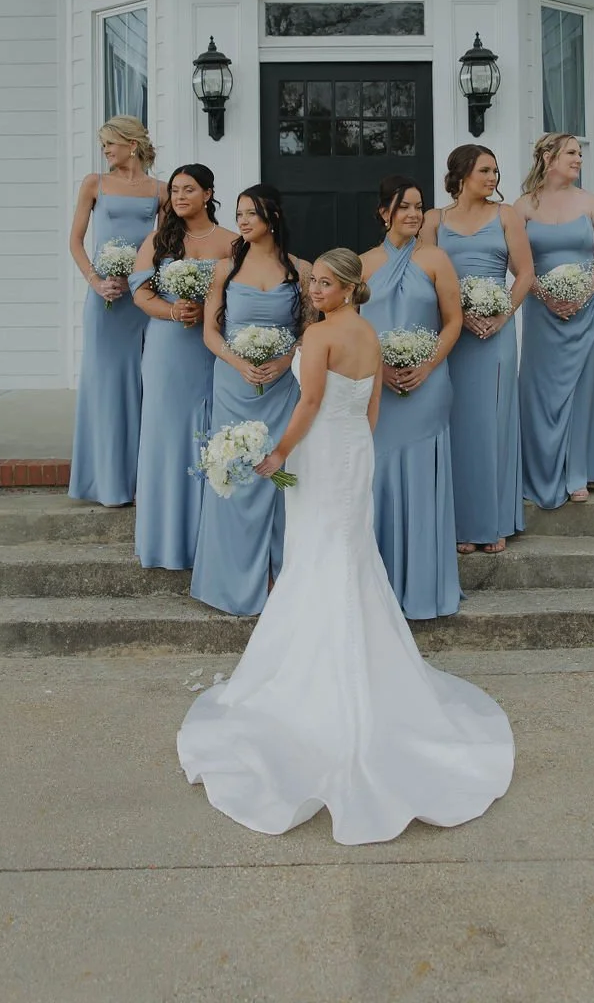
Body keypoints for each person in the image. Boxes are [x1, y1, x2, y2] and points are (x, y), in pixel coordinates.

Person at [176, 249, 515, 845]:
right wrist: (352, 447)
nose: (314, 289)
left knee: (319, 556)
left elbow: (306, 403)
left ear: (350, 287)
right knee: (349, 554)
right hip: (355, 452)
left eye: (325, 283)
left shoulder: (322, 335)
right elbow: (374, 406)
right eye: (313, 281)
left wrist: (278, 453)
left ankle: (318, 685)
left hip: (320, 451)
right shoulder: (370, 335)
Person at [190, 184, 309, 615]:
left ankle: (279, 575)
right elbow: (210, 333)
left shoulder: (301, 270)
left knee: (276, 476)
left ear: (272, 217)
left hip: (280, 390)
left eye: (251, 213)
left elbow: (307, 331)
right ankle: (231, 581)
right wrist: (240, 364)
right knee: (235, 475)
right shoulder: (224, 269)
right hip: (232, 386)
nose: (241, 221)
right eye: (239, 213)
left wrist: (284, 360)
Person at [422, 144, 535, 553]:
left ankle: (494, 520)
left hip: (495, 335)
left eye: (496, 172)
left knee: (493, 424)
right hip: (453, 334)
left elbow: (524, 274)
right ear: (462, 174)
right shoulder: (434, 220)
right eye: (485, 171)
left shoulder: (506, 216)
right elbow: (423, 276)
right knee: (457, 424)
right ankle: (460, 524)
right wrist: (456, 313)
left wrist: (502, 315)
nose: (493, 179)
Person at [359, 176, 463, 619]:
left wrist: (427, 365)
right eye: (404, 207)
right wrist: (376, 368)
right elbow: (354, 327)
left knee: (423, 480)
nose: (414, 214)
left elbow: (453, 321)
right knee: (377, 478)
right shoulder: (362, 264)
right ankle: (378, 591)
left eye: (420, 207)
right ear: (385, 212)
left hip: (428, 385)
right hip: (377, 386)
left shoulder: (437, 259)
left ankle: (425, 588)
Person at [129, 165, 235, 570]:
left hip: (212, 351)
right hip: (168, 351)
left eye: (188, 189)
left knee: (211, 433)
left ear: (208, 193)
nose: (179, 196)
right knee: (167, 435)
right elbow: (141, 294)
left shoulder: (231, 242)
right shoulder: (159, 239)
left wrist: (213, 314)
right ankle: (167, 540)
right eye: (174, 190)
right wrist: (174, 310)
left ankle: (210, 539)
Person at [514, 132, 594, 508]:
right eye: (572, 153)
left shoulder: (590, 203)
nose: (579, 159)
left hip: (586, 309)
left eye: (579, 153)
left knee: (581, 387)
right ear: (547, 157)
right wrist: (543, 294)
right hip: (541, 310)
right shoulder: (524, 206)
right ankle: (540, 467)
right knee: (540, 388)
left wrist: (583, 292)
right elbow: (517, 260)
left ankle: (578, 471)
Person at [67, 117, 165, 507]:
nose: (106, 150)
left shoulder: (159, 191)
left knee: (143, 385)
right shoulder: (95, 184)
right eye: (103, 144)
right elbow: (75, 241)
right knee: (105, 387)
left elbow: (164, 245)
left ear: (132, 143)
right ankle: (104, 483)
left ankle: (141, 481)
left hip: (141, 301)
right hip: (104, 303)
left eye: (111, 143)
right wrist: (96, 281)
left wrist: (145, 282)